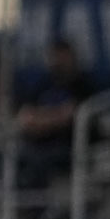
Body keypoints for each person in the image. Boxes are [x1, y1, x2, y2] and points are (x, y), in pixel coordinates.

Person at [12, 39, 94, 196]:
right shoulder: (44, 84)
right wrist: (49, 119)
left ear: (70, 56)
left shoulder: (82, 84)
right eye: (53, 56)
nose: (56, 61)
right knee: (6, 159)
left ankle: (35, 208)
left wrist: (42, 120)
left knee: (39, 164)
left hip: (68, 147)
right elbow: (26, 116)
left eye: (61, 56)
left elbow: (68, 116)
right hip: (36, 145)